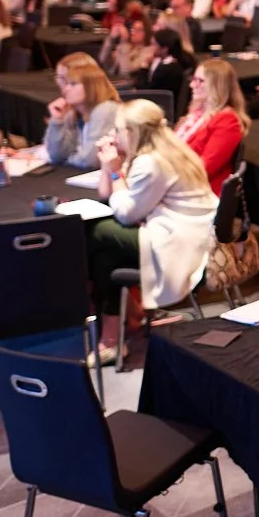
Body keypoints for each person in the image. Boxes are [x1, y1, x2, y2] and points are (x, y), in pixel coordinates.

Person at [85, 100, 218, 359]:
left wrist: (114, 173)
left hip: (181, 244)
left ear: (133, 133)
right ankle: (115, 333)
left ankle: (120, 321)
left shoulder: (152, 163)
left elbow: (125, 213)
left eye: (118, 129)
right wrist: (108, 166)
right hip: (189, 234)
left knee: (98, 232)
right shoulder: (171, 148)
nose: (113, 135)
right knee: (106, 256)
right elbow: (108, 196)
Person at [173, 57, 246, 194]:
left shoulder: (227, 121)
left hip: (197, 192)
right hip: (178, 183)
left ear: (217, 86)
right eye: (193, 79)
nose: (192, 85)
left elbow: (203, 169)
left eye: (199, 81)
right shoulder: (196, 113)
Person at [41, 52, 123, 171]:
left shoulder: (105, 110)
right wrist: (57, 121)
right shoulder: (74, 112)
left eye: (72, 84)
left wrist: (68, 160)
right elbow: (57, 156)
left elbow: (90, 160)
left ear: (91, 86)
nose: (65, 88)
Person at [137, 27, 194, 115]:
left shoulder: (167, 69)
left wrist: (144, 67)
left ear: (165, 49)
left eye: (154, 44)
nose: (150, 47)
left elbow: (145, 91)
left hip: (159, 108)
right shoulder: (181, 60)